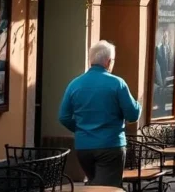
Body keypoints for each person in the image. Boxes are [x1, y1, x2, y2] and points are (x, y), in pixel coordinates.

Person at [59, 41, 141, 188]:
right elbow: (133, 115)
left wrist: (81, 129)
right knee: (107, 188)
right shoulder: (117, 83)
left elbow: (64, 117)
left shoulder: (74, 84)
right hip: (110, 145)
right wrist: (138, 105)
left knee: (95, 185)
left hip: (84, 147)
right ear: (109, 61)